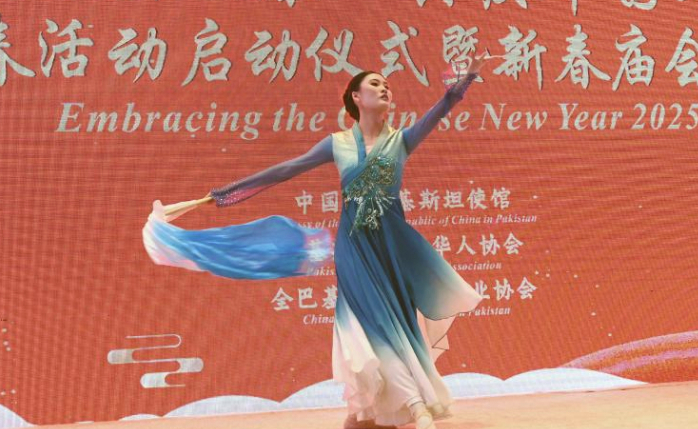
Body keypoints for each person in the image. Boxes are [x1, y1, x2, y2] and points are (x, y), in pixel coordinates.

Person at [144, 50, 491, 429]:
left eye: (387, 85)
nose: (384, 88)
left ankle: (389, 405)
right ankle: (413, 403)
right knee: (372, 322)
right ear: (356, 98)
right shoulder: (338, 143)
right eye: (375, 84)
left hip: (392, 247)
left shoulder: (402, 141)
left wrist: (466, 79)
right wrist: (223, 195)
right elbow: (286, 169)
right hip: (354, 248)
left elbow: (444, 105)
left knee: (399, 321)